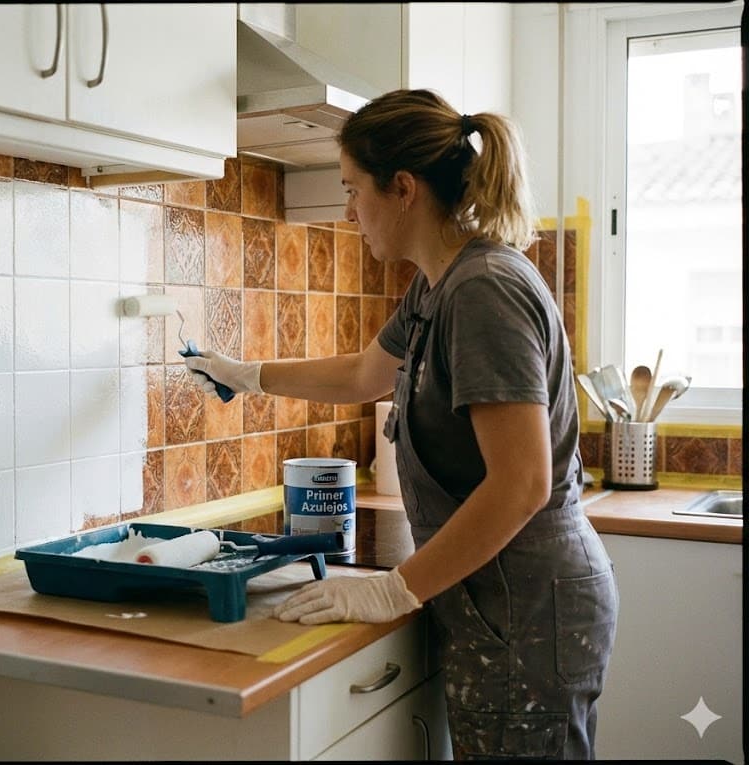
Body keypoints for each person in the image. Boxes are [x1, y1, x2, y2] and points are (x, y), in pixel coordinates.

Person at [184, 88, 619, 760]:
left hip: (528, 604)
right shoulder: (440, 283)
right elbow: (365, 374)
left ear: (404, 188)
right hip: (501, 597)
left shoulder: (482, 290)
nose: (350, 209)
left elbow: (523, 481)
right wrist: (246, 374)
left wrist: (396, 585)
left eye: (354, 189)